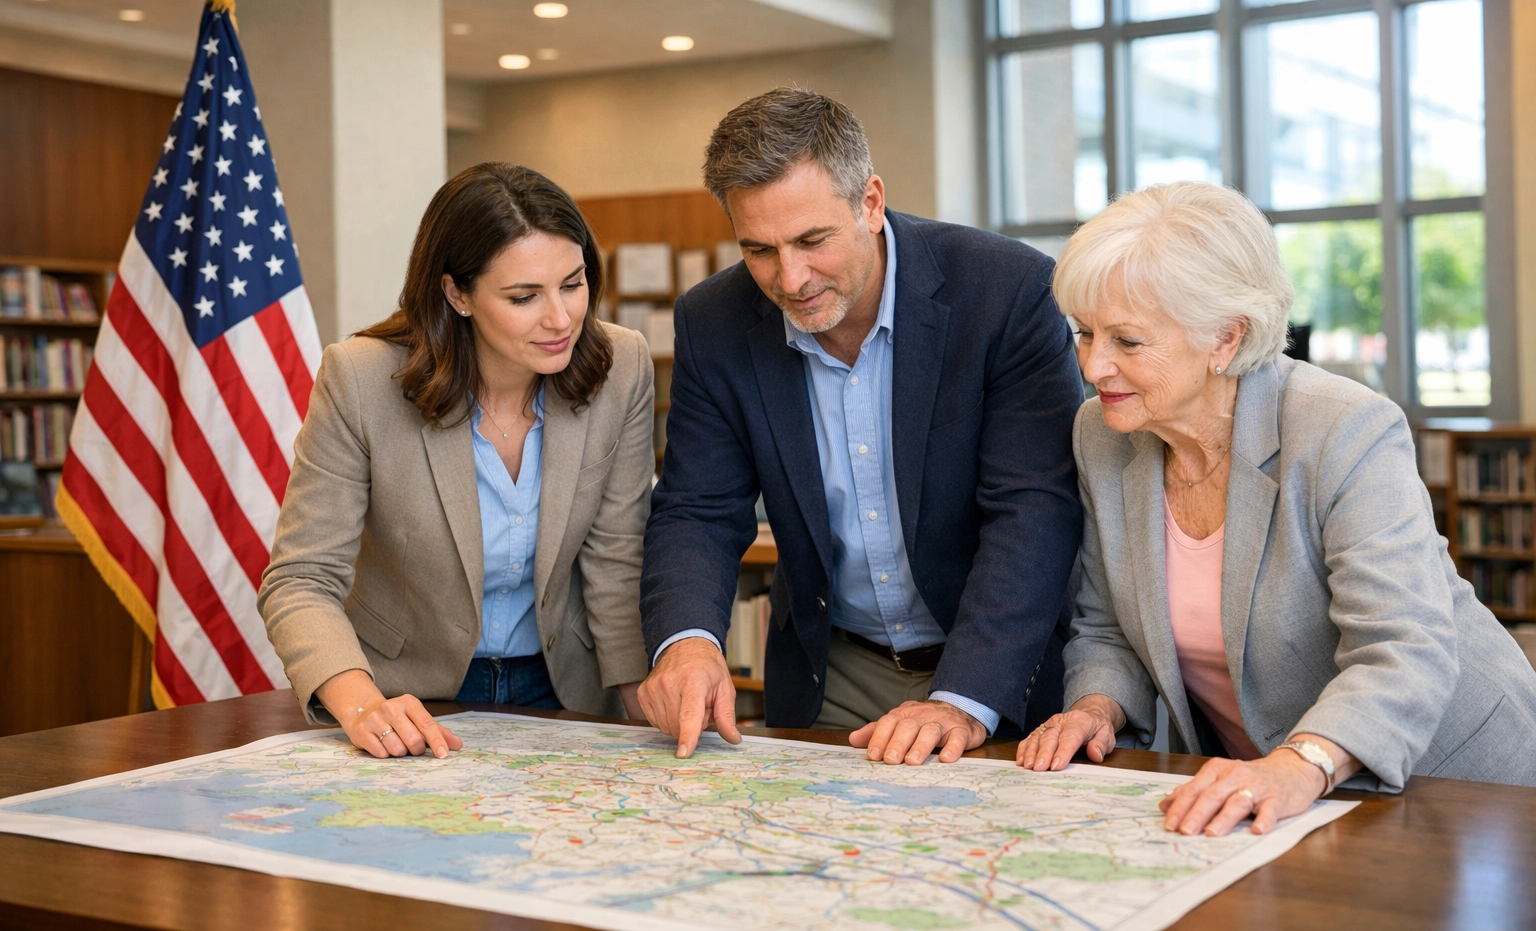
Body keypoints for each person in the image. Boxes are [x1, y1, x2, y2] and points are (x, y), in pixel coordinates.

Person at [1020, 181, 1536, 835]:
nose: (1094, 366)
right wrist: (1095, 708)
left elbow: (1402, 646)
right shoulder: (1102, 434)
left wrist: (1297, 764)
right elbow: (1106, 626)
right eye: (1085, 333)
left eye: (1127, 341)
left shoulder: (1344, 428)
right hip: (1268, 797)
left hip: (1456, 787)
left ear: (1226, 339)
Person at [638, 87, 1083, 764]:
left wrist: (961, 699)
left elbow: (1033, 510)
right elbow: (698, 507)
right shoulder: (715, 320)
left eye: (812, 241)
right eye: (758, 250)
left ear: (870, 202)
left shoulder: (1007, 292)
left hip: (994, 666)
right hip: (832, 670)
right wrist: (688, 640)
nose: (790, 279)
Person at [259, 163, 654, 759]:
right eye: (523, 296)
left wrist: (640, 700)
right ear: (456, 293)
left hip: (570, 689)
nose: (560, 318)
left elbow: (617, 559)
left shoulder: (622, 366)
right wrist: (362, 703)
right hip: (407, 697)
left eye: (573, 285)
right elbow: (301, 578)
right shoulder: (362, 379)